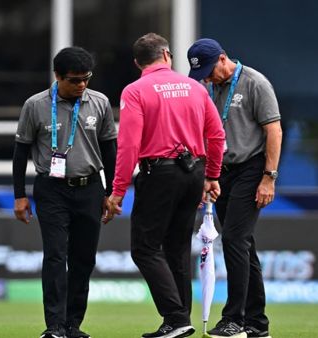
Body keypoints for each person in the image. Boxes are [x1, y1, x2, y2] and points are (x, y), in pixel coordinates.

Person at [105, 33, 225, 338]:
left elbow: (129, 145)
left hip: (159, 173)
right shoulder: (195, 88)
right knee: (177, 248)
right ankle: (180, 319)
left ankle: (175, 317)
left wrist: (118, 191)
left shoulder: (135, 91)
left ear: (137, 63)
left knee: (144, 248)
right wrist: (211, 176)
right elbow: (217, 135)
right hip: (193, 172)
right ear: (167, 55)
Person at [12, 46, 117, 338]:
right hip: (51, 189)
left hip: (90, 188)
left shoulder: (100, 102)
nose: (81, 85)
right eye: (74, 80)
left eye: (86, 79)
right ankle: (55, 326)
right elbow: (20, 153)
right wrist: (19, 195)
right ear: (57, 76)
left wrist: (112, 191)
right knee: (56, 256)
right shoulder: (35, 105)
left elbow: (110, 149)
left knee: (84, 259)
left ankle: (73, 325)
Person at [187, 38, 282, 338]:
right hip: (221, 172)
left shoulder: (255, 83)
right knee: (244, 245)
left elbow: (274, 130)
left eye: (207, 70)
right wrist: (208, 174)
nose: (206, 77)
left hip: (251, 169)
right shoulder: (211, 88)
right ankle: (257, 323)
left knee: (234, 240)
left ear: (223, 58)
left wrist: (269, 177)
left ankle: (234, 320)